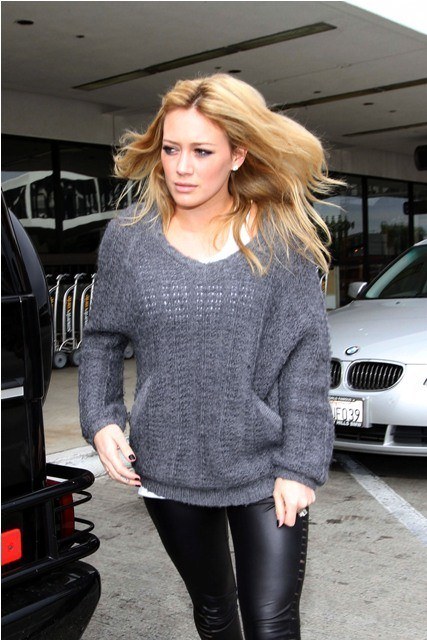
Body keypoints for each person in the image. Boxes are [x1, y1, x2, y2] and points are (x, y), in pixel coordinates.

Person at [79, 73, 338, 640]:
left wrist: (300, 465)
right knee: (215, 611)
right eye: (171, 149)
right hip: (168, 465)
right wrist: (101, 418)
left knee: (271, 622)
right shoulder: (129, 239)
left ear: (237, 155)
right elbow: (102, 339)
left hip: (264, 465)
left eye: (201, 152)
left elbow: (306, 357)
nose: (182, 168)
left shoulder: (280, 238)